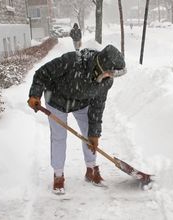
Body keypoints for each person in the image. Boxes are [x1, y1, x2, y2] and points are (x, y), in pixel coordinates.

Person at [27, 45, 127, 193]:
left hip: (81, 103)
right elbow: (42, 73)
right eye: (110, 73)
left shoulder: (106, 81)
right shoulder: (72, 61)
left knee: (89, 135)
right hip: (56, 100)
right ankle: (58, 174)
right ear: (101, 67)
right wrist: (35, 94)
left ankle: (91, 169)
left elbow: (97, 106)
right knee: (59, 137)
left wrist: (94, 133)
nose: (111, 77)